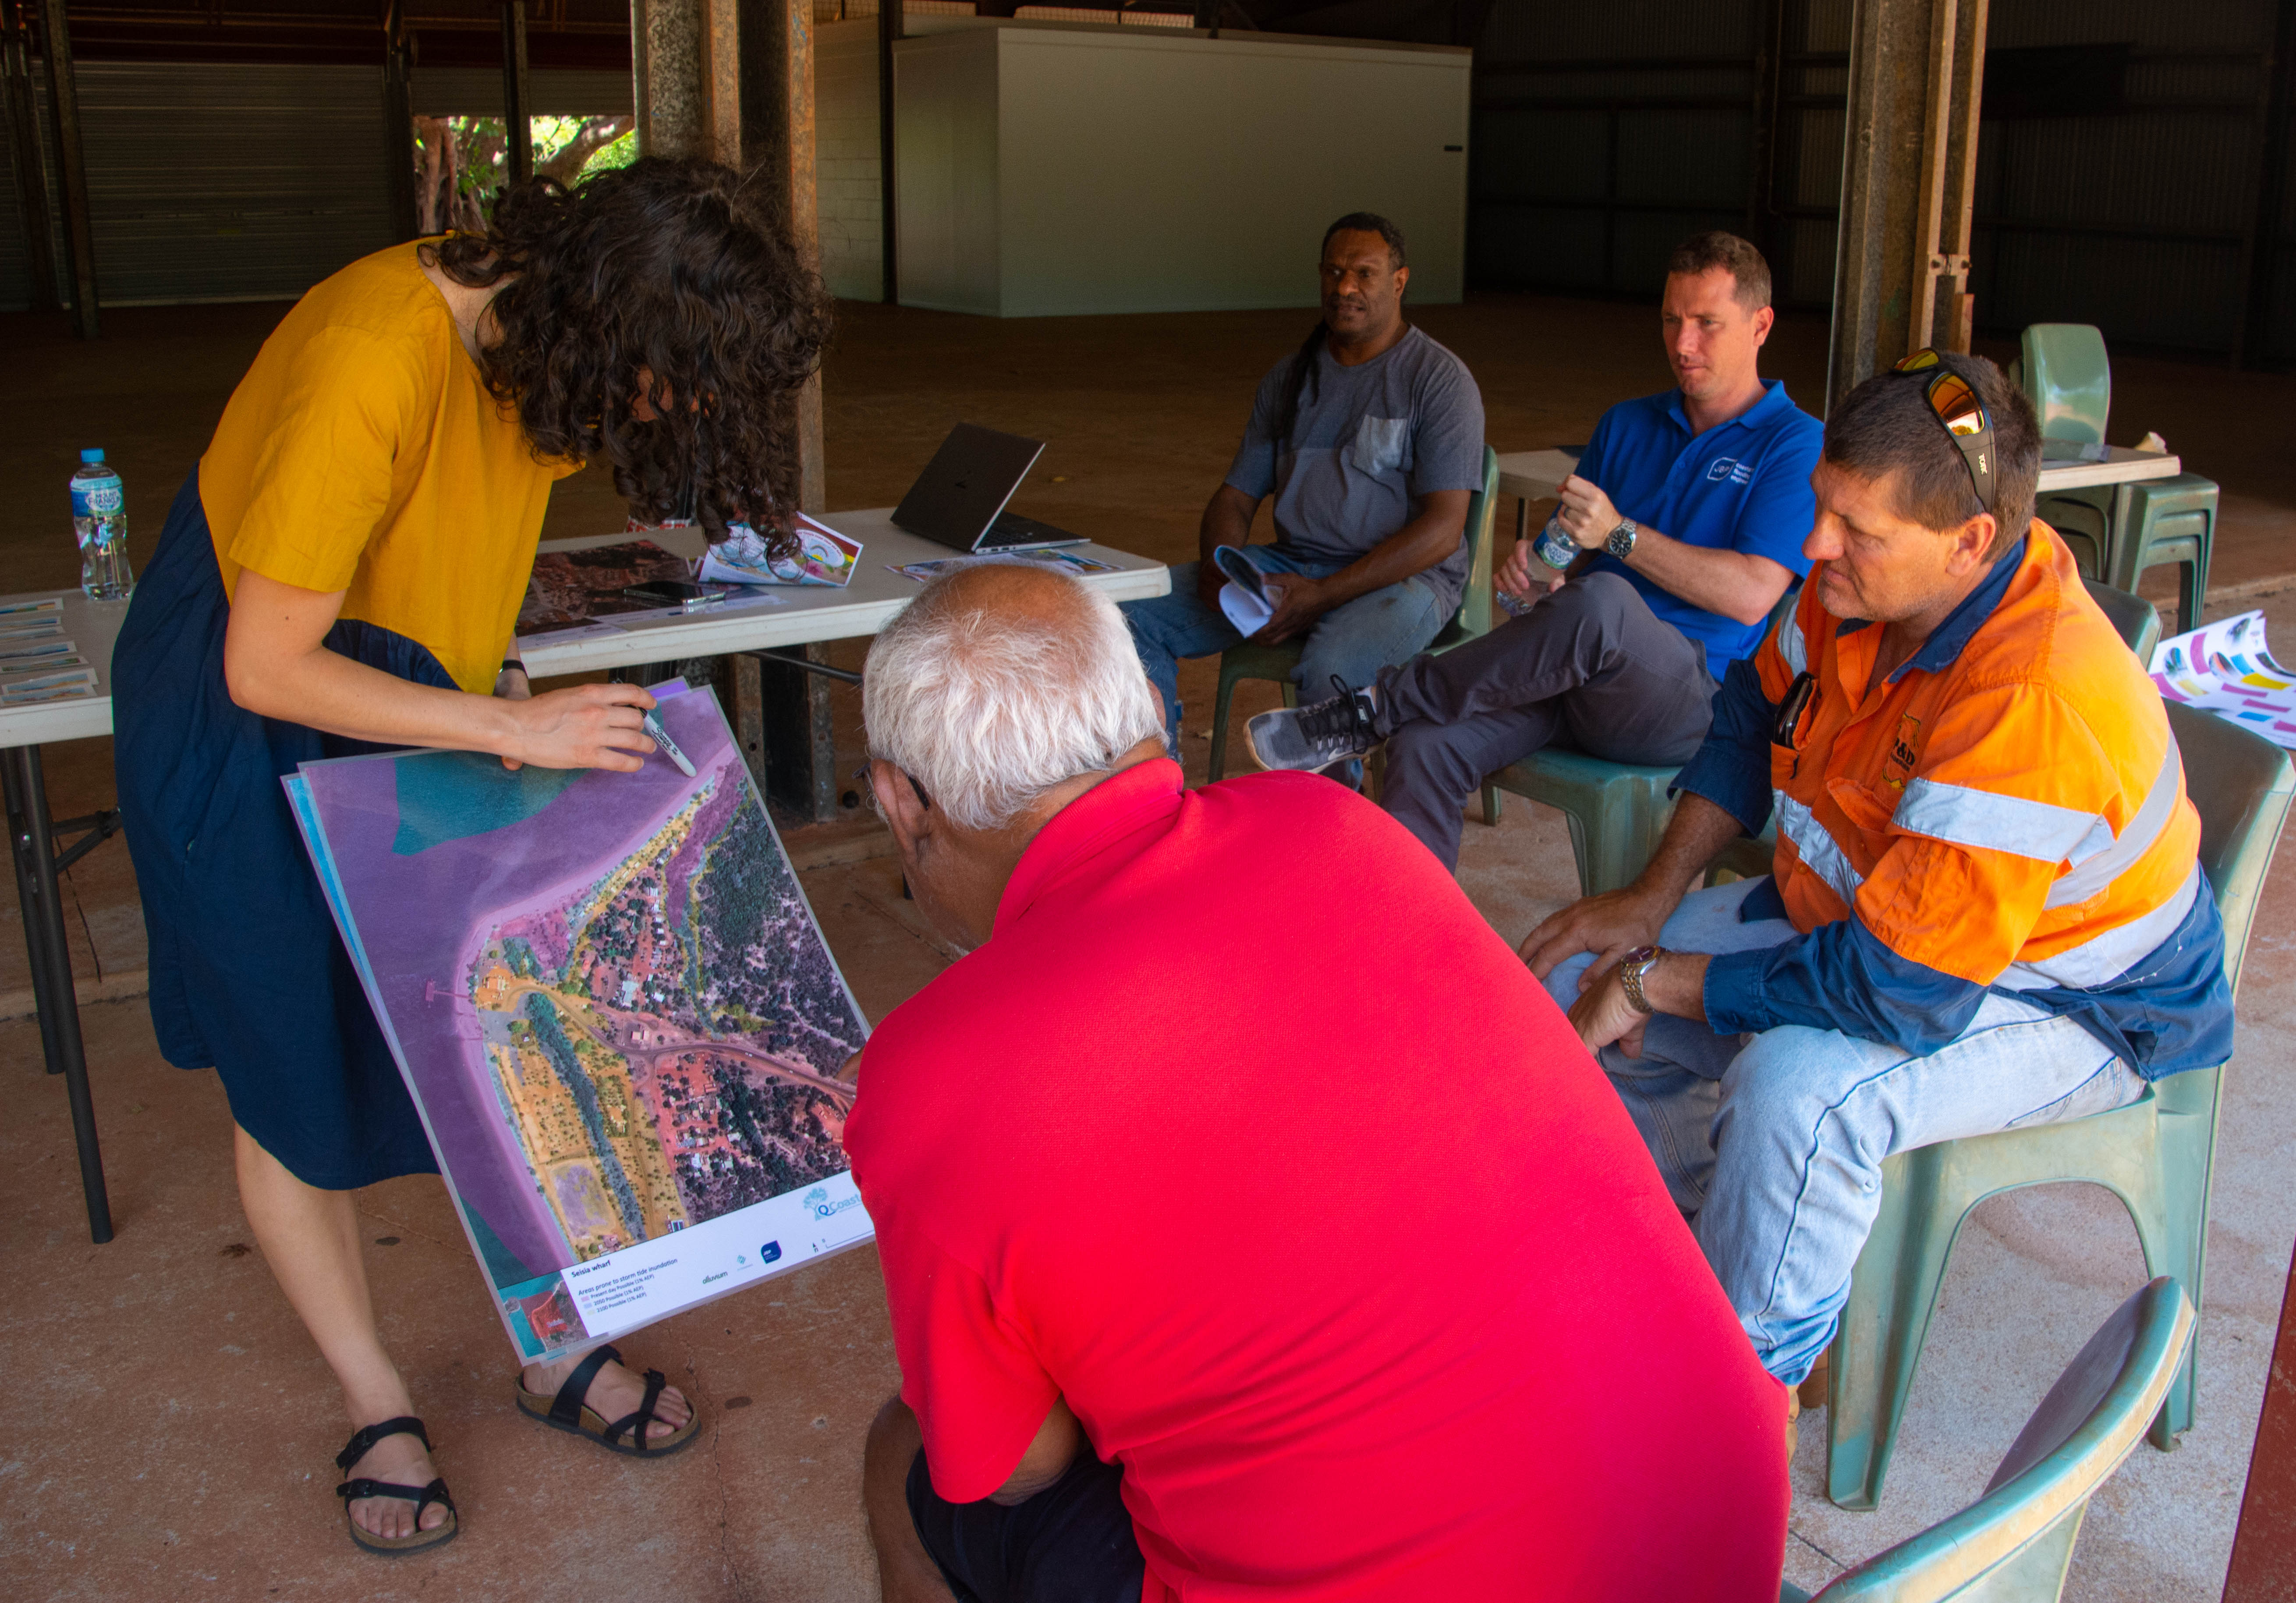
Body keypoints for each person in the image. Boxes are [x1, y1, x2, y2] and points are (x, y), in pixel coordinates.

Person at [110, 158, 833, 1555]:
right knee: (290, 1064)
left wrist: (492, 694)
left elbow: (453, 540)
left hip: (413, 677)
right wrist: (508, 723)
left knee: (494, 1028)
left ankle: (552, 1340)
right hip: (244, 699)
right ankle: (375, 1397)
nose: (676, 416)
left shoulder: (546, 344)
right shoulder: (375, 357)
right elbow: (264, 661)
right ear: (617, 325)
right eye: (675, 385)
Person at [846, 561, 1789, 1603]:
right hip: (1716, 1546)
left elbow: (1017, 1468)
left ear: (900, 802)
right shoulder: (1331, 825)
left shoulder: (930, 1077)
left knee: (906, 1454)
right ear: (1151, 716)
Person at [1520, 351, 2231, 1423]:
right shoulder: (1858, 587)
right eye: (1820, 506)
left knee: (1800, 1093)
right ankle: (1680, 1264)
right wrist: (1650, 904)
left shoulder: (2028, 697)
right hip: (1885, 920)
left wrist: (1662, 981)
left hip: (2068, 995)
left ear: (1969, 544)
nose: (1814, 547)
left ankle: (1740, 1393)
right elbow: (1751, 714)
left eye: (1856, 529)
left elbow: (1900, 988)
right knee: (1583, 966)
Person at [1244, 233, 1824, 871]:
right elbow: (1566, 561)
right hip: (1575, 677)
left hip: (1691, 699)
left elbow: (1750, 594)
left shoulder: (1796, 443)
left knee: (1604, 600)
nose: (1683, 344)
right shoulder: (1628, 424)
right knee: (1425, 743)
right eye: (1671, 320)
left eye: (1707, 324)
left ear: (1761, 325)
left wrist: (1618, 537)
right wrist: (1534, 579)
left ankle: (1379, 703)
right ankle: (1414, 951)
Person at [1120, 213, 1485, 767]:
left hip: (1403, 582)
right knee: (1130, 615)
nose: (1344, 288)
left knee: (1328, 671)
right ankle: (1155, 784)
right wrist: (1224, 568)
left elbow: (1442, 531)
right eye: (1334, 272)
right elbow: (1234, 498)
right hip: (1294, 566)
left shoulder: (1437, 380)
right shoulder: (1291, 378)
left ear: (1399, 281)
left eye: (1364, 273)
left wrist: (1323, 596)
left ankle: (1332, 822)